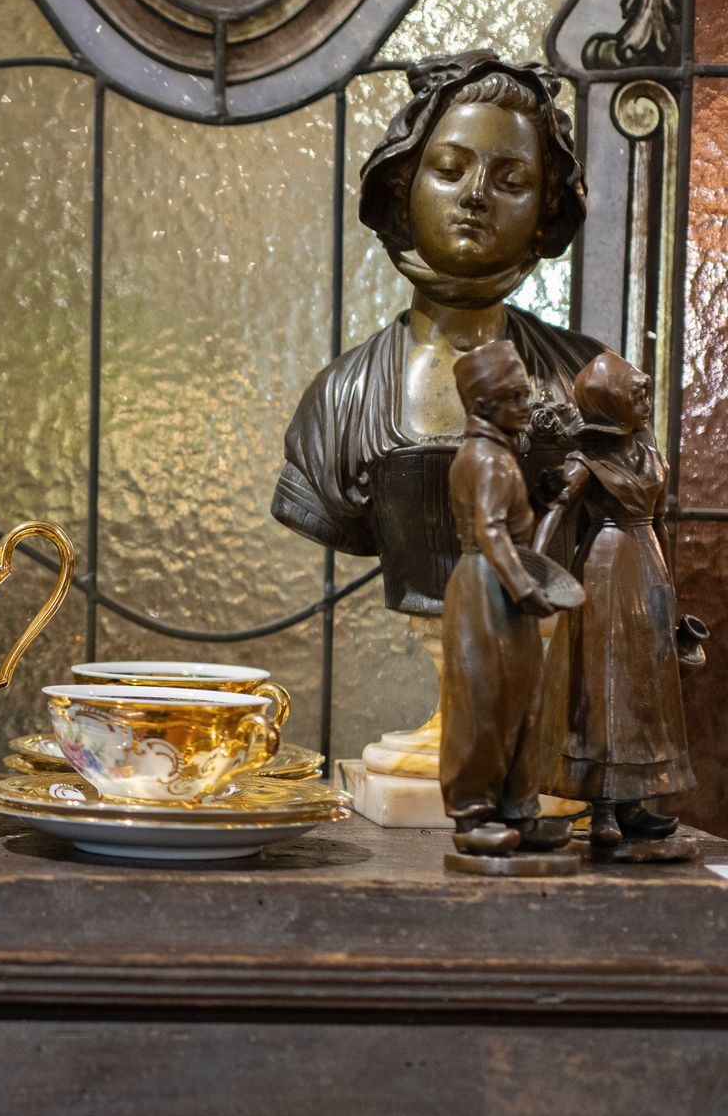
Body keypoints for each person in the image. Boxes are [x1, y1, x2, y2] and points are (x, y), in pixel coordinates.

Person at [273, 51, 607, 618]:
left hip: (545, 668)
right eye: (450, 170)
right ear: (404, 187)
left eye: (511, 180)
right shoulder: (339, 401)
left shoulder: (590, 378)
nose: (475, 195)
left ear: (546, 209)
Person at [529, 352, 693, 846]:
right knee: (604, 683)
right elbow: (556, 513)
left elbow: (659, 521)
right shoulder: (587, 461)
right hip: (604, 567)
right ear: (610, 404)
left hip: (646, 565)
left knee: (647, 686)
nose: (644, 403)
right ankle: (602, 806)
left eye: (645, 394)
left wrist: (670, 584)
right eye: (635, 395)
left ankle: (634, 802)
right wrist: (532, 572)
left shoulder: (650, 454)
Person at [439, 341, 572, 857]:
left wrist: (537, 495)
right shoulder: (484, 460)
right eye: (515, 398)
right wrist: (525, 588)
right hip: (486, 588)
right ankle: (473, 814)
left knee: (524, 703)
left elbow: (508, 521)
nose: (526, 406)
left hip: (500, 584)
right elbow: (492, 532)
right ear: (483, 407)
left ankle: (520, 808)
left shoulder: (498, 457)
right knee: (484, 704)